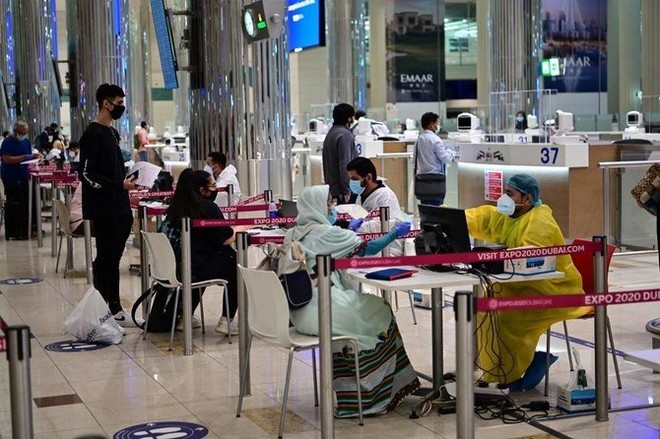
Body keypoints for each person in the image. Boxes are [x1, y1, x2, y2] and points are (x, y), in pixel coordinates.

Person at [285, 185, 418, 417]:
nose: (333, 208)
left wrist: (346, 229)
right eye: (328, 203)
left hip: (298, 314)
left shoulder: (292, 233)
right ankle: (375, 392)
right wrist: (395, 233)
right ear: (317, 206)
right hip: (322, 309)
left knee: (366, 309)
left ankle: (356, 391)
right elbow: (368, 248)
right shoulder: (327, 233)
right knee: (380, 309)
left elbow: (325, 246)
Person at [465, 174, 591, 391]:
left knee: (509, 318)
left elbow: (531, 256)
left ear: (527, 199)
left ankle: (510, 376)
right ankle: (494, 371)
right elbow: (481, 217)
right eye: (504, 192)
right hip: (517, 285)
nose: (504, 197)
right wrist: (448, 217)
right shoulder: (508, 216)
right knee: (485, 310)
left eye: (510, 193)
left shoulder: (540, 220)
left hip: (552, 289)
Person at [79, 83, 138, 327]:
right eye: (119, 103)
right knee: (106, 259)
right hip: (104, 209)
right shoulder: (92, 134)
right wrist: (116, 185)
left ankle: (111, 306)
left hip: (119, 206)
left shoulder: (111, 133)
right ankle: (108, 307)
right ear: (106, 103)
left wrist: (126, 183)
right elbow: (86, 174)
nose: (122, 108)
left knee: (113, 258)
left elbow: (112, 170)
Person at [161, 169, 238, 334]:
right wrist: (241, 230)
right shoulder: (208, 208)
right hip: (196, 268)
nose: (216, 189)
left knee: (200, 269)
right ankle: (226, 320)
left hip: (175, 267)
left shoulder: (174, 209)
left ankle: (184, 317)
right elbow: (225, 238)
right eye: (213, 186)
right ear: (202, 190)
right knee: (236, 269)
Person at [346, 157, 405, 256]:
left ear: (369, 177)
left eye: (354, 179)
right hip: (366, 243)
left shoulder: (385, 196)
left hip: (387, 248)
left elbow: (381, 227)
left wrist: (356, 228)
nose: (351, 183)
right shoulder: (361, 195)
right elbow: (356, 218)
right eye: (350, 179)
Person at [0, 121, 41, 239]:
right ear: (15, 131)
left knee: (27, 202)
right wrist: (24, 157)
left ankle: (30, 226)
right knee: (15, 202)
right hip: (11, 177)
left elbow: (30, 155)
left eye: (25, 133)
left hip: (25, 176)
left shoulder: (26, 141)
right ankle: (16, 230)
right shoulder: (7, 142)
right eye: (21, 133)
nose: (23, 135)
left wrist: (34, 157)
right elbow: (6, 159)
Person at [413, 112, 455, 206]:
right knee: (437, 210)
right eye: (437, 123)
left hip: (422, 182)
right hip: (436, 181)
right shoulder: (435, 140)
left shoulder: (419, 139)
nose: (437, 126)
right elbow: (445, 158)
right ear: (431, 124)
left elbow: (414, 160)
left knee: (426, 210)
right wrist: (450, 151)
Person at [322, 103, 358, 204]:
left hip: (333, 189)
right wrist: (347, 189)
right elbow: (345, 164)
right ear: (349, 118)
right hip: (343, 192)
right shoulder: (345, 135)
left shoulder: (331, 133)